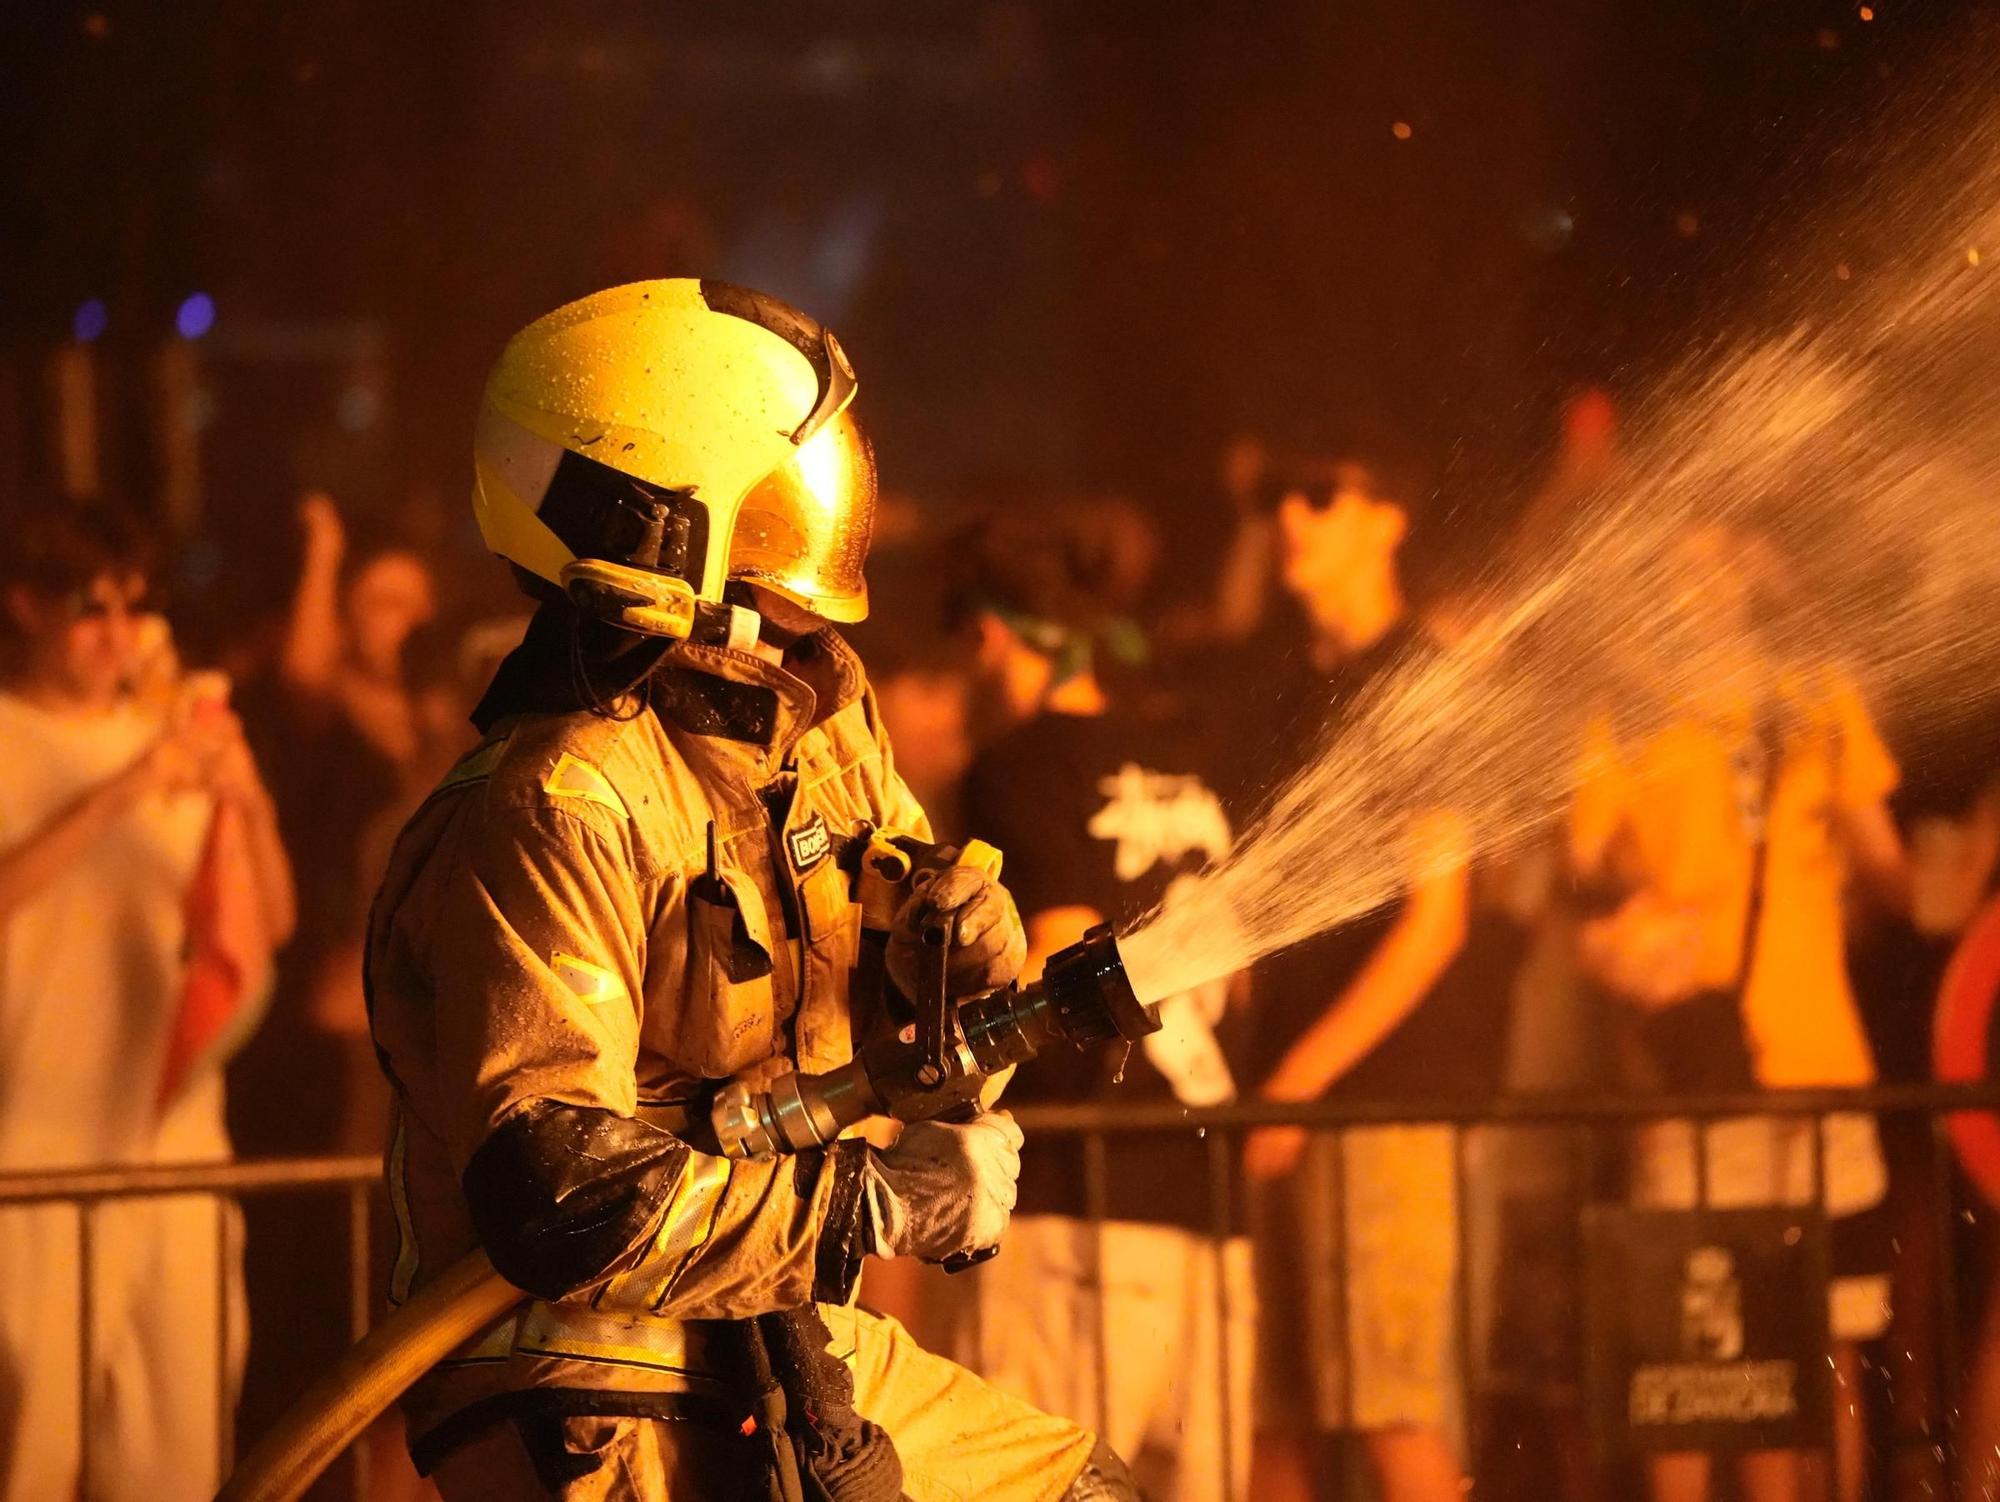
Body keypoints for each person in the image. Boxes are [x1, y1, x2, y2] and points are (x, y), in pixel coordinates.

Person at [364, 279, 1137, 1499]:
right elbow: (559, 1192)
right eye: (776, 498)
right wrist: (863, 1207)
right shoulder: (557, 801)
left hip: (772, 1327)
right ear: (650, 519)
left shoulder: (813, 727)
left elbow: (891, 1054)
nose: (819, 523)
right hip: (588, 1376)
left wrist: (957, 978)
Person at [1566, 522, 1910, 1502]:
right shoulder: (1623, 712)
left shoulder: (1817, 696)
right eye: (1681, 556)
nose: (1702, 575)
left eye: (1723, 552)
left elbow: (1886, 869)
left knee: (1822, 1348)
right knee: (1685, 1362)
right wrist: (1623, 933)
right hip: (1688, 1080)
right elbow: (1578, 879)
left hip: (1818, 1072)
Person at [954, 507, 1253, 1501]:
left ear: (990, 635)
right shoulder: (1188, 769)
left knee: (1035, 1485)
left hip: (1075, 1204)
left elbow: (1055, 956)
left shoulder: (1020, 767)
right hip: (1207, 1197)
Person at [1230, 454, 1514, 1502]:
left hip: (1378, 1107)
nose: (1290, 516)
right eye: (1275, 497)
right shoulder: (1293, 687)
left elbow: (1437, 920)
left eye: (1319, 494)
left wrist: (1297, 1081)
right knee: (1269, 1420)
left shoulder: (1416, 682)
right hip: (1292, 1101)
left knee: (1390, 1407)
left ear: (1388, 518)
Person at [0, 502, 294, 1502]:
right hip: (35, 1149)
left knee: (179, 1459)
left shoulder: (170, 735)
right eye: (92, 609)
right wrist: (117, 795)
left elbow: (270, 922)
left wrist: (245, 798)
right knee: (32, 1451)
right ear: (26, 604)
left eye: (135, 607)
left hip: (176, 1147)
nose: (119, 635)